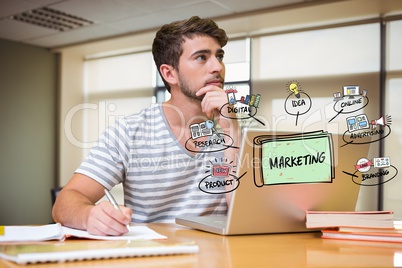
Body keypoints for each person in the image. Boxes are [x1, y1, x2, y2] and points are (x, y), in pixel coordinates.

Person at [52, 16, 241, 236]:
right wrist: (88, 216)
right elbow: (64, 203)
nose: (217, 67)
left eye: (219, 56)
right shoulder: (129, 132)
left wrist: (231, 132)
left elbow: (245, 211)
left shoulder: (237, 132)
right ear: (169, 73)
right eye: (201, 57)